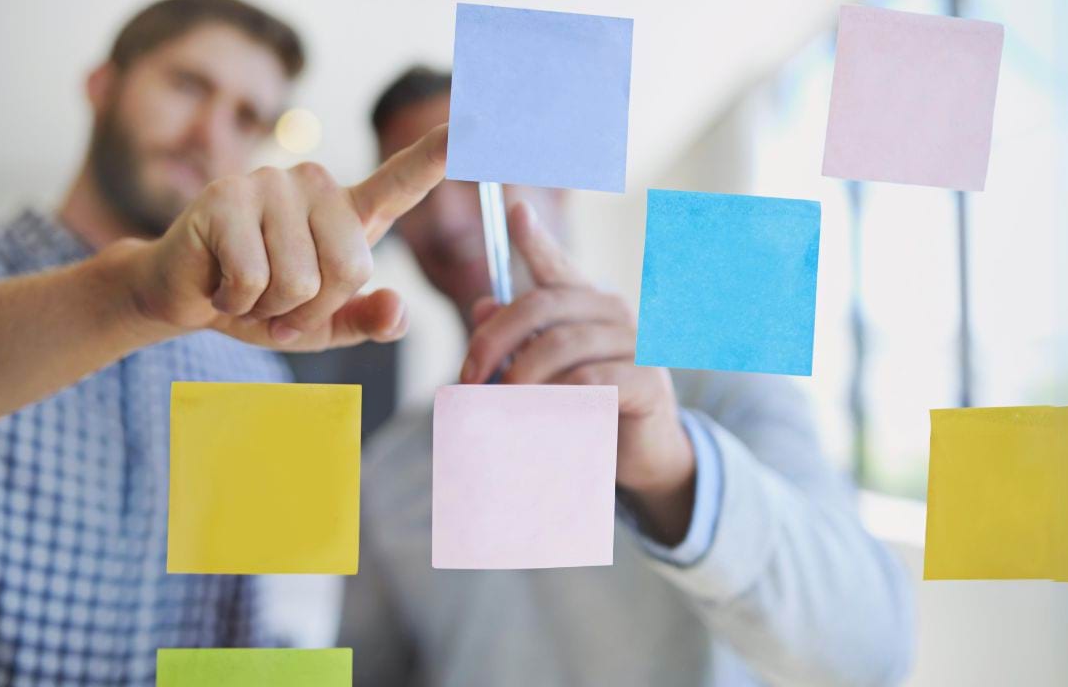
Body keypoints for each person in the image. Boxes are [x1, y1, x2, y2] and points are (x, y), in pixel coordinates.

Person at [0, 0, 447, 685]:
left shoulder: (256, 374)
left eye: (246, 116)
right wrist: (130, 297)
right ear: (102, 84)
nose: (208, 132)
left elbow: (249, 646)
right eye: (187, 84)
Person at [338, 66, 915, 686]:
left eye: (476, 169)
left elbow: (870, 653)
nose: (449, 215)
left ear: (560, 184)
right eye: (417, 185)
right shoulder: (391, 465)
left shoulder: (726, 382)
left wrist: (675, 471)